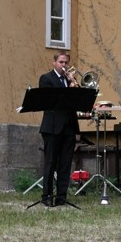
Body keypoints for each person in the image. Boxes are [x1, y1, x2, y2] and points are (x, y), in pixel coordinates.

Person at [38, 51, 80, 207]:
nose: (64, 65)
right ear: (54, 63)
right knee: (50, 162)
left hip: (69, 126)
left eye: (66, 62)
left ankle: (61, 196)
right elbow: (54, 101)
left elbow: (76, 102)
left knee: (66, 163)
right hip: (52, 127)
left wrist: (75, 87)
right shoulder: (46, 79)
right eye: (61, 62)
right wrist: (70, 88)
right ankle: (47, 195)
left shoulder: (70, 80)